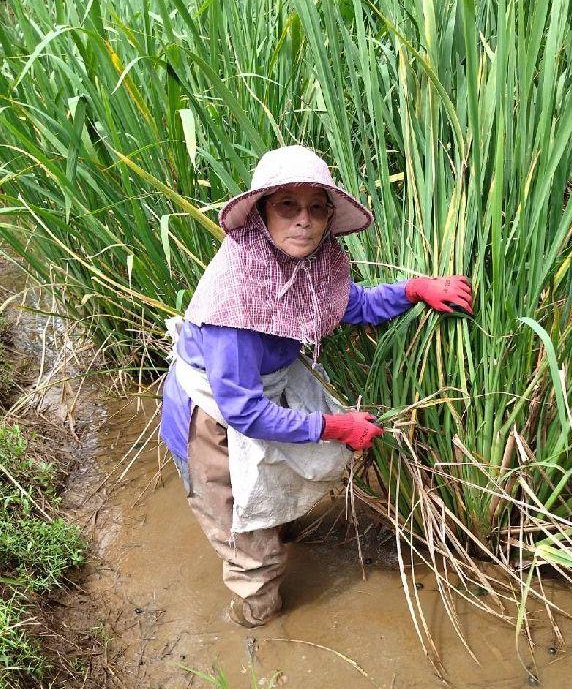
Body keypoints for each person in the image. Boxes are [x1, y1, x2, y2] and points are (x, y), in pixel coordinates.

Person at [159, 145, 473, 628]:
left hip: (269, 391)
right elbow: (243, 411)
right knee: (249, 543)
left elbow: (353, 305)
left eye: (316, 207)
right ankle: (256, 629)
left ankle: (279, 542)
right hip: (213, 421)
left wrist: (414, 290)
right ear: (262, 213)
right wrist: (335, 426)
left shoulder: (313, 264)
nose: (302, 220)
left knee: (279, 506)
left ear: (328, 217)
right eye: (287, 205)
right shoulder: (235, 297)